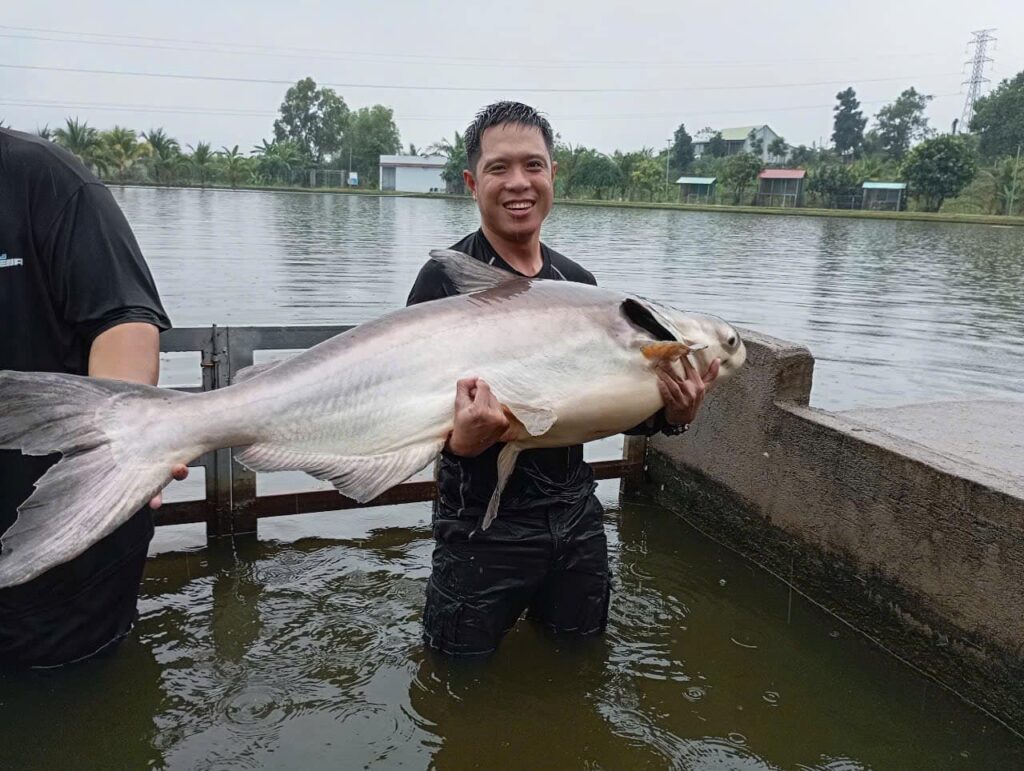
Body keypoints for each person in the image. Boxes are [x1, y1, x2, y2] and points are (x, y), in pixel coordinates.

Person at [407, 101, 720, 657]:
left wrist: (672, 416)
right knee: (456, 675)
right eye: (499, 168)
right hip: (480, 526)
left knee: (581, 656)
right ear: (471, 182)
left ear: (553, 174)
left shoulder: (578, 283)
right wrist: (461, 442)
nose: (518, 183)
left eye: (533, 165)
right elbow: (410, 408)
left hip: (574, 513)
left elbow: (604, 399)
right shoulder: (442, 282)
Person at [0, 126, 187, 668]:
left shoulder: (46, 179)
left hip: (67, 547)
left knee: (71, 697)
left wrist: (127, 453)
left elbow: (124, 323)